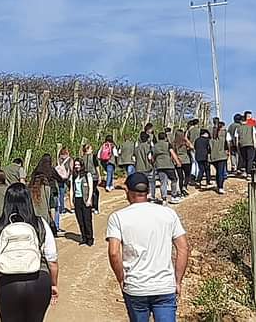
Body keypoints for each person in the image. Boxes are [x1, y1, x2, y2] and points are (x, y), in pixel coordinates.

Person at [106, 173, 190, 322]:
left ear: (127, 191)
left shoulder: (118, 217)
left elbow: (113, 253)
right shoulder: (168, 214)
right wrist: (177, 281)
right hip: (164, 286)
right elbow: (183, 248)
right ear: (148, 191)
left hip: (136, 287)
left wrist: (121, 278)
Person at [0, 183, 59, 322]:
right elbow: (52, 259)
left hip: (8, 282)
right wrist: (53, 284)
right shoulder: (40, 223)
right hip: (39, 280)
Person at [30, 156, 59, 234]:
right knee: (54, 206)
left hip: (34, 217)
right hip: (51, 192)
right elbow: (52, 206)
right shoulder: (51, 169)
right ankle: (56, 226)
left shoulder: (36, 170)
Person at [153, 132, 182, 204]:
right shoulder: (167, 144)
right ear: (165, 138)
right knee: (174, 179)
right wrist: (177, 162)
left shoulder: (155, 146)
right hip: (169, 165)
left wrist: (154, 164)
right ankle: (173, 196)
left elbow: (153, 157)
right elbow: (172, 153)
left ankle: (164, 199)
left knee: (163, 182)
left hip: (159, 166)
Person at [71, 158, 94, 246]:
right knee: (80, 220)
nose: (77, 167)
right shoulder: (73, 175)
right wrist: (71, 201)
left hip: (85, 199)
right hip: (77, 199)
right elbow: (72, 189)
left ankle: (90, 238)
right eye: (75, 165)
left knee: (87, 220)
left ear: (81, 165)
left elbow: (91, 188)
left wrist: (89, 199)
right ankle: (83, 237)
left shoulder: (87, 175)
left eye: (78, 165)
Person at [134, 132, 156, 200]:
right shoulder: (147, 147)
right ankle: (151, 196)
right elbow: (149, 157)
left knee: (140, 183)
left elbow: (134, 159)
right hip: (147, 168)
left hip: (138, 168)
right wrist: (153, 162)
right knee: (151, 182)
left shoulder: (136, 148)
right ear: (147, 139)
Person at [173, 129, 194, 196]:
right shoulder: (184, 142)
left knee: (180, 177)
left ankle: (181, 190)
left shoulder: (174, 143)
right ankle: (185, 186)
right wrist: (186, 139)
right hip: (186, 161)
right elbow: (192, 147)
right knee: (187, 175)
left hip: (178, 161)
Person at [82, 143, 101, 214]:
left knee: (88, 191)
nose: (92, 150)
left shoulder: (82, 158)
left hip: (85, 176)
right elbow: (96, 167)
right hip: (93, 176)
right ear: (87, 149)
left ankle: (90, 205)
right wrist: (99, 176)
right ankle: (95, 207)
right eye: (90, 148)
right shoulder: (93, 156)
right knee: (95, 192)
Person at [210, 122, 229, 194]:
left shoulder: (211, 140)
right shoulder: (223, 138)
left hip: (214, 157)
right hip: (222, 156)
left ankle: (218, 185)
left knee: (218, 172)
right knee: (221, 172)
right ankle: (220, 187)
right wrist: (227, 152)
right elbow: (227, 146)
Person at [237, 111, 256, 178]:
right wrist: (255, 144)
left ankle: (245, 171)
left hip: (242, 145)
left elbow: (237, 137)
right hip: (250, 144)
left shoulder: (238, 128)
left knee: (244, 159)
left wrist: (238, 146)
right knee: (250, 159)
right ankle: (249, 173)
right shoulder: (251, 127)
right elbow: (254, 136)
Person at [55, 149, 73, 216]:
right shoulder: (69, 160)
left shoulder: (58, 159)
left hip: (59, 178)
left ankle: (60, 208)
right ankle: (70, 206)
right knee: (70, 192)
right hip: (67, 178)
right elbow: (71, 168)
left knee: (60, 193)